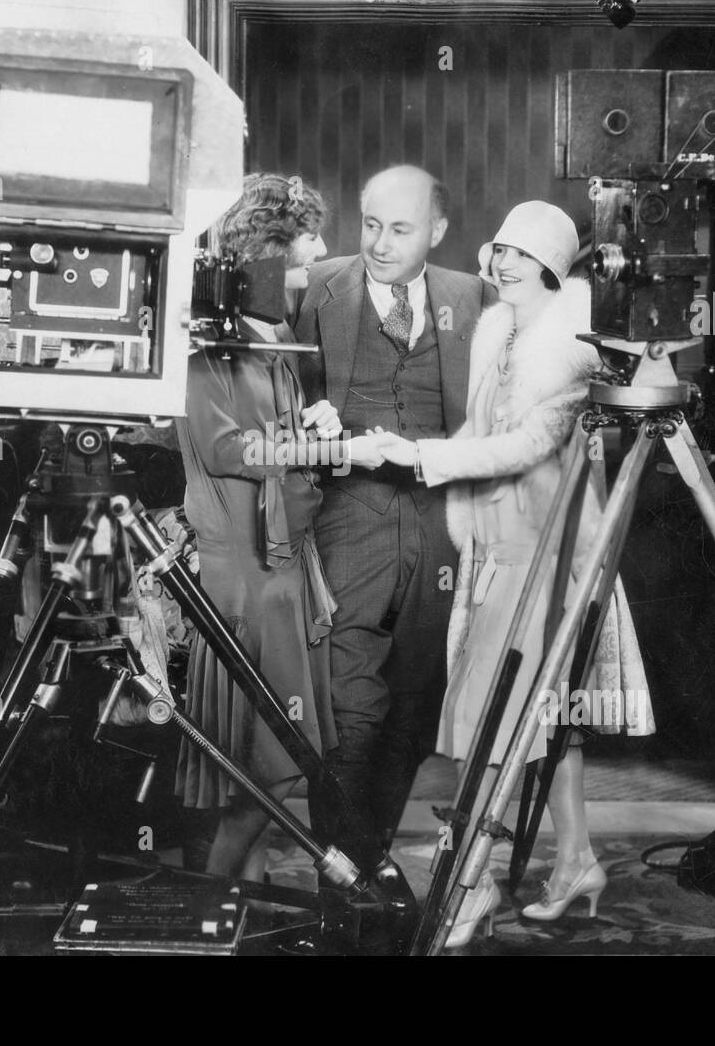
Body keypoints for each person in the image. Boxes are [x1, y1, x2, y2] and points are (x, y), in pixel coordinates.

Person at [373, 201, 654, 943]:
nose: (500, 262)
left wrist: (420, 460)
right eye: (498, 248)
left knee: (496, 716)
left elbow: (527, 444)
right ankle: (576, 862)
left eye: (520, 255)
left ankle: (474, 879)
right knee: (542, 714)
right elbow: (483, 426)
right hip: (497, 536)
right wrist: (413, 445)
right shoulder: (498, 327)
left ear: (551, 266)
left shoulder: (571, 345)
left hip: (546, 546)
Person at [175, 172, 384, 880]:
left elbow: (272, 436)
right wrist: (333, 448)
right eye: (307, 237)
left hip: (284, 568)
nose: (322, 247)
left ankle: (244, 909)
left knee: (276, 764)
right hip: (248, 578)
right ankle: (213, 907)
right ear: (269, 248)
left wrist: (311, 423)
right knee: (267, 769)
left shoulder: (269, 332)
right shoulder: (210, 342)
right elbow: (225, 449)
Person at [294, 165, 495, 870]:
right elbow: (267, 390)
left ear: (436, 231)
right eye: (371, 224)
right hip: (349, 512)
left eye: (401, 229)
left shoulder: (474, 299)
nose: (379, 243)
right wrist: (303, 420)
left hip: (442, 517)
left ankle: (369, 852)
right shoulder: (313, 288)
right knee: (349, 703)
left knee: (417, 695)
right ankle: (341, 868)